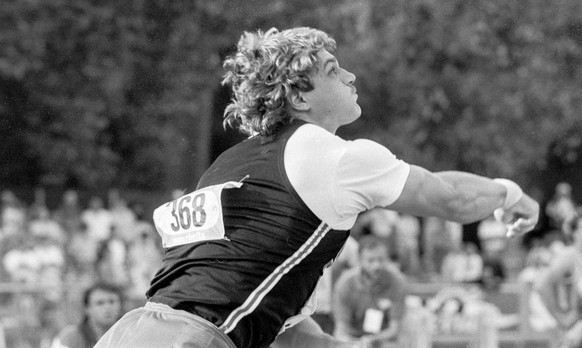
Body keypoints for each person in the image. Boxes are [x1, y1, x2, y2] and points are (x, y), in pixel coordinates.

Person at [95, 27, 539, 348]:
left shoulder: (229, 163)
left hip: (131, 331)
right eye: (333, 69)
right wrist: (510, 194)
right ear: (300, 98)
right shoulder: (332, 156)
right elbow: (452, 198)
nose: (350, 76)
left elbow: (284, 328)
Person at [333, 235, 408, 347]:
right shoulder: (345, 284)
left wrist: (372, 340)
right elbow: (341, 329)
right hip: (353, 337)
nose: (377, 265)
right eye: (371, 260)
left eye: (381, 259)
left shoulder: (397, 281)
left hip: (383, 338)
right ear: (359, 260)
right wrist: (355, 343)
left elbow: (394, 329)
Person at [534, 214, 582, 347]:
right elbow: (542, 285)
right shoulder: (568, 256)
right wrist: (561, 318)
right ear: (574, 232)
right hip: (572, 329)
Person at [52, 282, 123, 348]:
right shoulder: (71, 337)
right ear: (87, 308)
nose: (107, 307)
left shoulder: (128, 334)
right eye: (100, 303)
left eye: (112, 302)